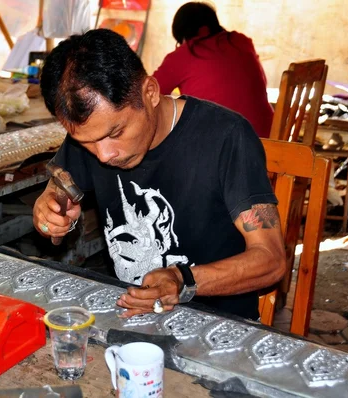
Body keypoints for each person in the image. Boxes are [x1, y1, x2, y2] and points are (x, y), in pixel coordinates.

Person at [33, 28, 285, 320]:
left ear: (150, 93)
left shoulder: (226, 137)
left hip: (217, 324)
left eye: (116, 132)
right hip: (132, 317)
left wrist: (184, 280)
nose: (104, 155)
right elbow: (59, 183)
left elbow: (272, 259)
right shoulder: (92, 135)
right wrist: (49, 206)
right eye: (86, 143)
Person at [152, 2, 273, 138]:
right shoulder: (241, 41)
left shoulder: (184, 54)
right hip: (269, 138)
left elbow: (148, 95)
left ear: (183, 35)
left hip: (224, 146)